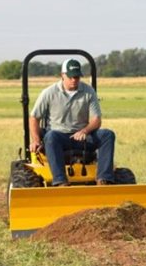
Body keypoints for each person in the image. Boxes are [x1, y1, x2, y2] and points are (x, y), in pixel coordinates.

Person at [29, 58, 115, 186]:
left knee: (107, 135)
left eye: (77, 77)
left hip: (82, 137)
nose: (74, 80)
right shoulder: (49, 93)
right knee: (51, 136)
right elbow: (34, 118)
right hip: (59, 137)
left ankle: (104, 179)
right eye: (71, 77)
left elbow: (96, 120)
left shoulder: (88, 91)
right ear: (62, 75)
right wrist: (36, 140)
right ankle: (60, 181)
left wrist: (85, 130)